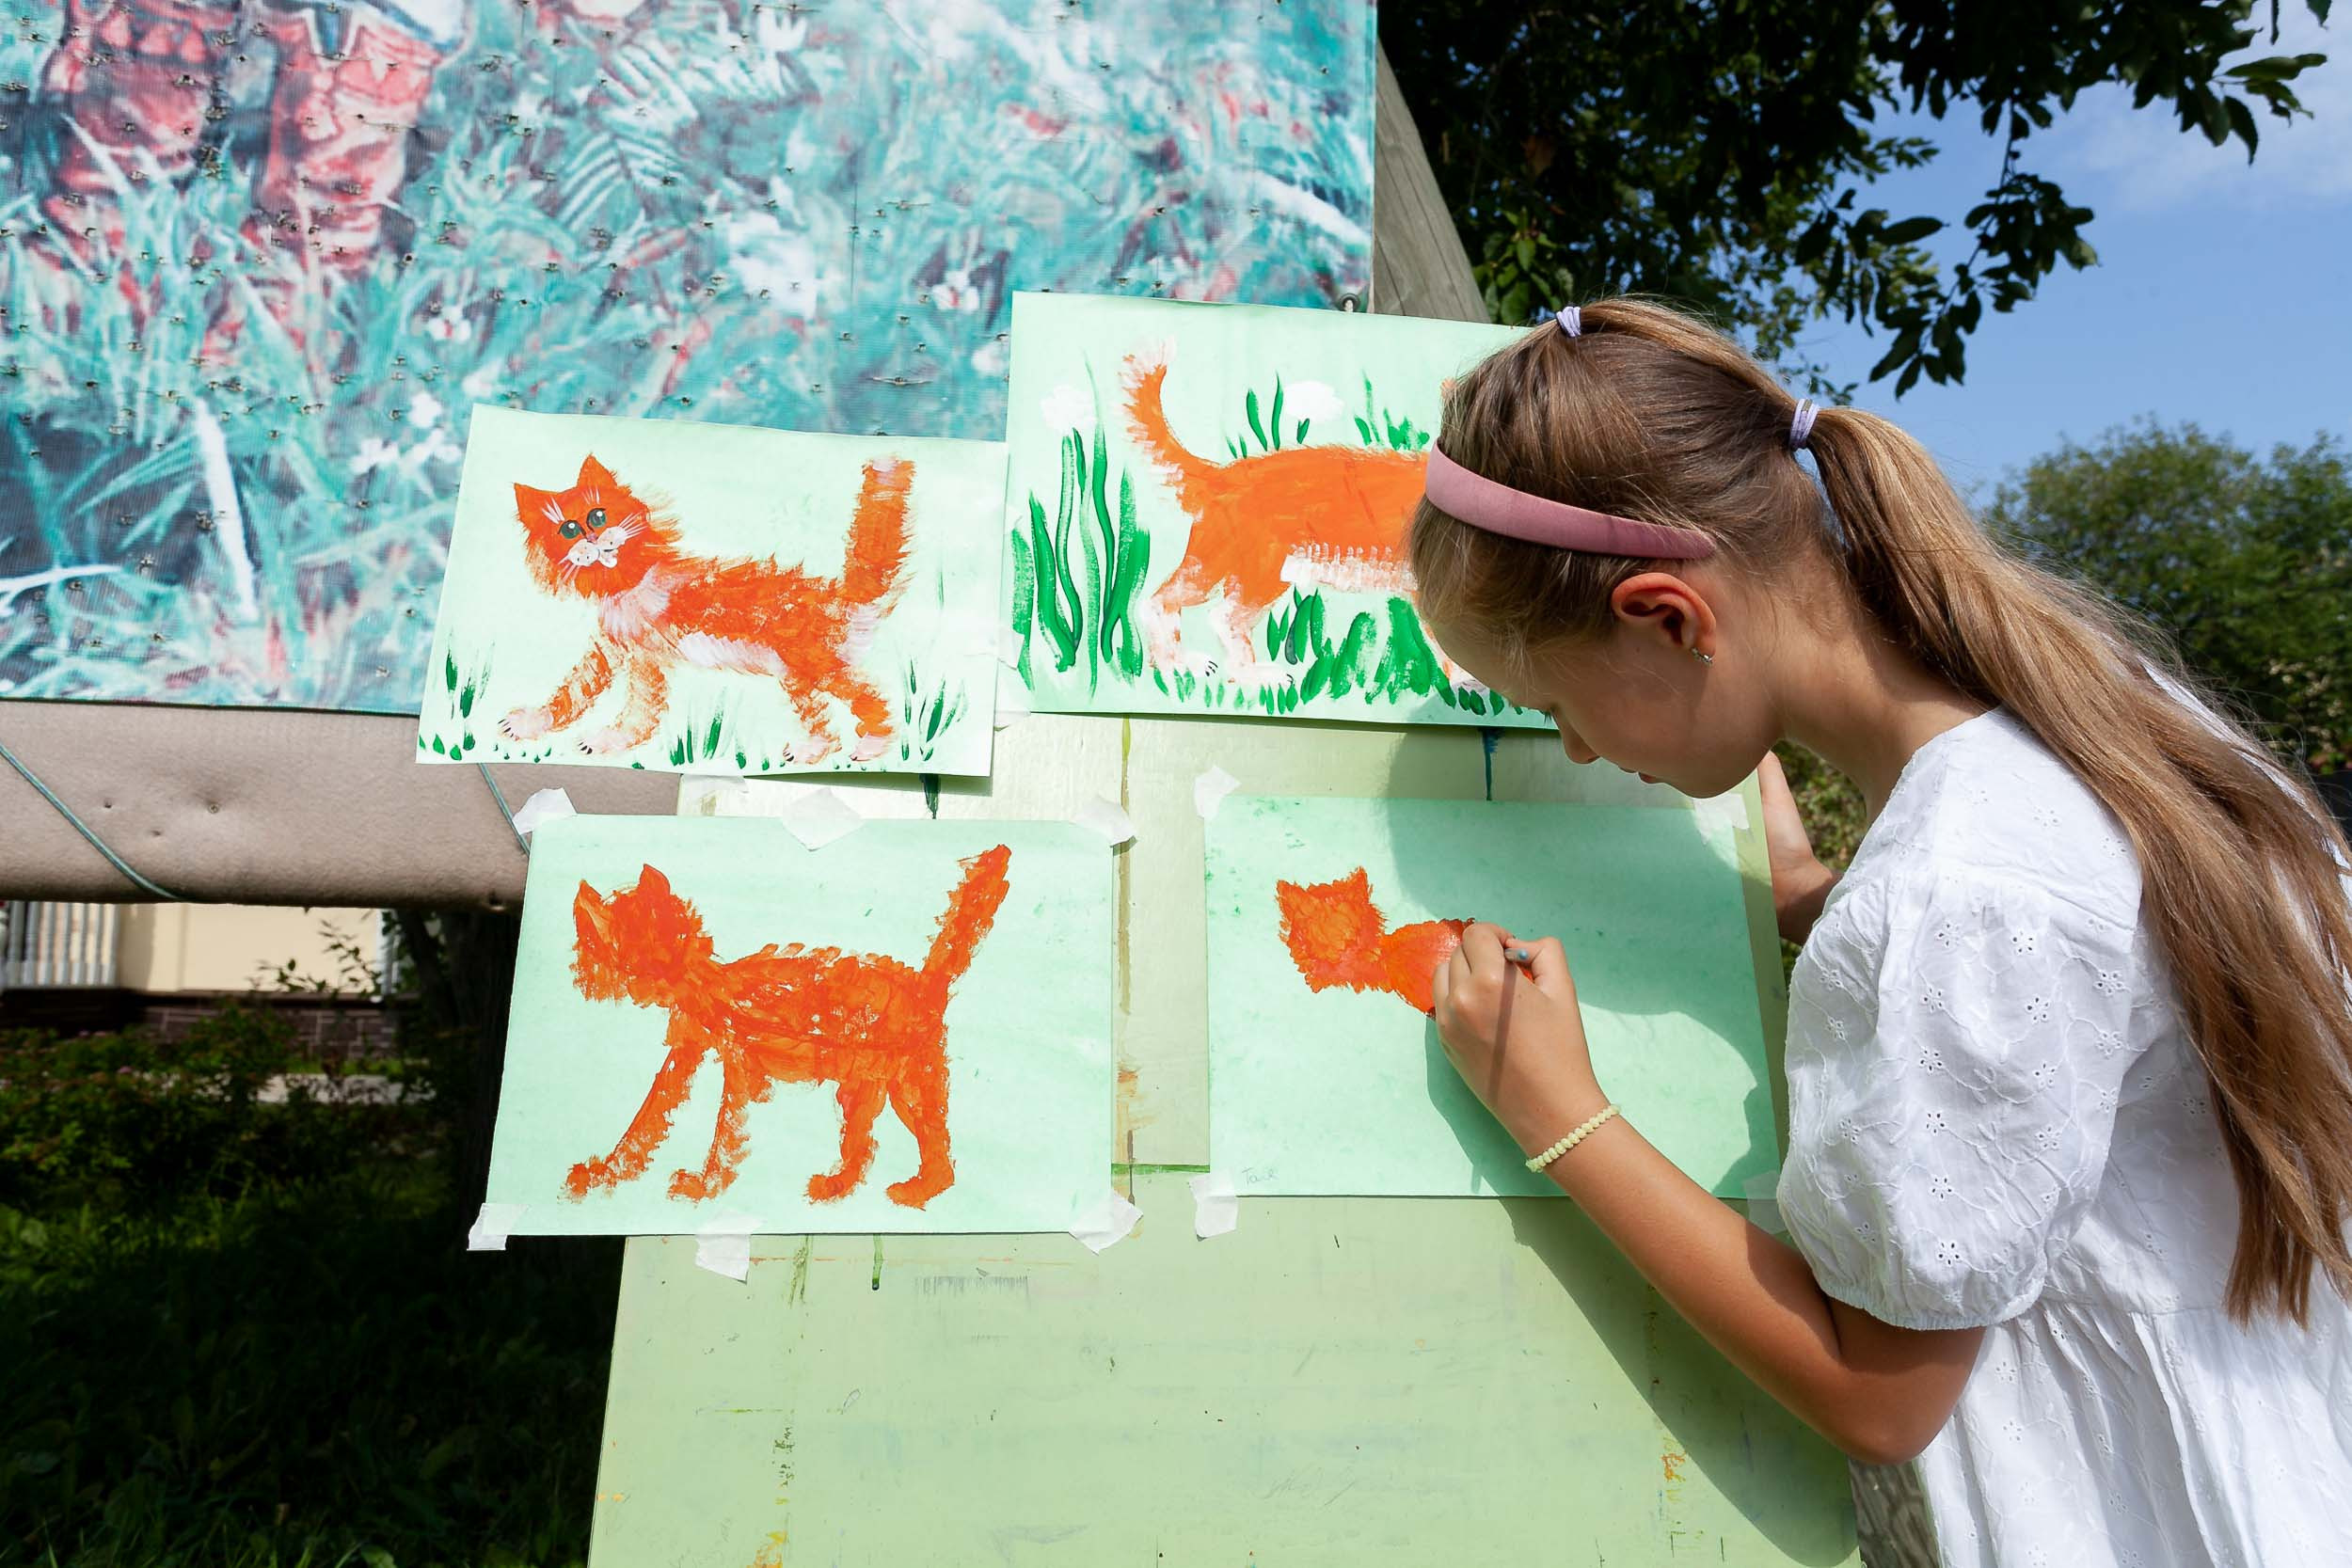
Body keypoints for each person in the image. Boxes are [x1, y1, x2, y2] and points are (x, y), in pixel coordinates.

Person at [1412, 298, 2352, 1567]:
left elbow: (1882, 1393)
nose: (1576, 749)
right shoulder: (2106, 719)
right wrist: (1819, 906)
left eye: (1557, 705)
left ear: (1669, 618)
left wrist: (1556, 1111)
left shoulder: (1956, 894)